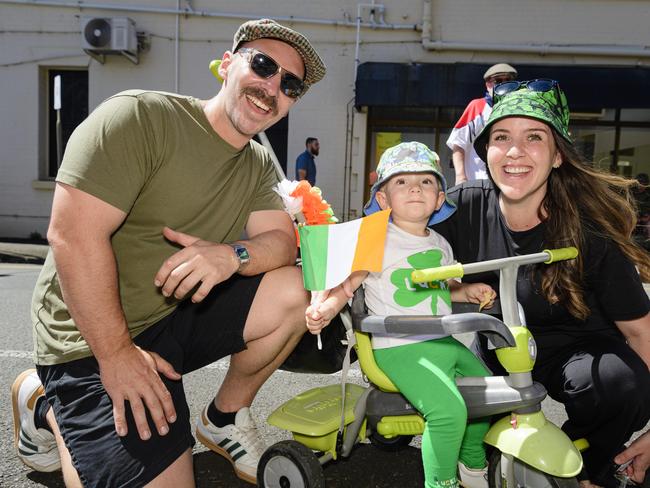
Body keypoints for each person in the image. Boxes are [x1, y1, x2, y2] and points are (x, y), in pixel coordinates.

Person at [11, 18, 326, 487]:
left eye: (289, 84)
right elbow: (71, 236)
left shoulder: (259, 163)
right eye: (262, 65)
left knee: (295, 291)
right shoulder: (140, 117)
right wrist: (116, 355)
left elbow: (280, 243)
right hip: (90, 336)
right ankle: (47, 398)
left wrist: (230, 256)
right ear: (226, 64)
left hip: (173, 316)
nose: (271, 87)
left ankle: (223, 418)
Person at [434, 79, 650, 488]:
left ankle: (588, 468)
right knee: (471, 425)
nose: (515, 151)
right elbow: (396, 241)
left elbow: (642, 333)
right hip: (497, 347)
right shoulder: (462, 205)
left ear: (556, 157)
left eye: (534, 137)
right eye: (502, 137)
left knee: (622, 384)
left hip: (578, 349)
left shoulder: (590, 231)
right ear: (487, 153)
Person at [306, 141, 497, 488]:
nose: (414, 188)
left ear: (439, 198)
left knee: (491, 396)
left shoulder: (440, 244)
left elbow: (447, 290)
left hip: (443, 340)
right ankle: (441, 483)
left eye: (426, 182)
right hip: (399, 346)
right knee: (448, 412)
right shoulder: (375, 238)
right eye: (401, 182)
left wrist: (467, 290)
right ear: (383, 199)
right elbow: (348, 285)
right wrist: (326, 308)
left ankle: (472, 464)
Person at [446, 63, 517, 186]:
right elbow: (458, 144)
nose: (504, 84)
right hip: (479, 183)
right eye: (498, 80)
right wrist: (461, 177)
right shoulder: (477, 106)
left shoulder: (517, 109)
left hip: (508, 184)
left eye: (508, 80)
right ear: (488, 84)